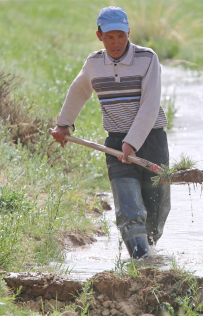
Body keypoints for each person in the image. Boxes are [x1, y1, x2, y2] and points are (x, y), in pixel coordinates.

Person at [51, 6, 170, 259]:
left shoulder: (148, 58)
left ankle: (151, 254)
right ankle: (141, 262)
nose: (115, 43)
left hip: (152, 141)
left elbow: (150, 105)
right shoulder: (94, 63)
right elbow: (79, 90)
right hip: (116, 144)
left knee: (156, 210)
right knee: (129, 210)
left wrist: (133, 142)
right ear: (99, 36)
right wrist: (64, 124)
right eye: (109, 37)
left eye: (120, 36)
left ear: (129, 33)